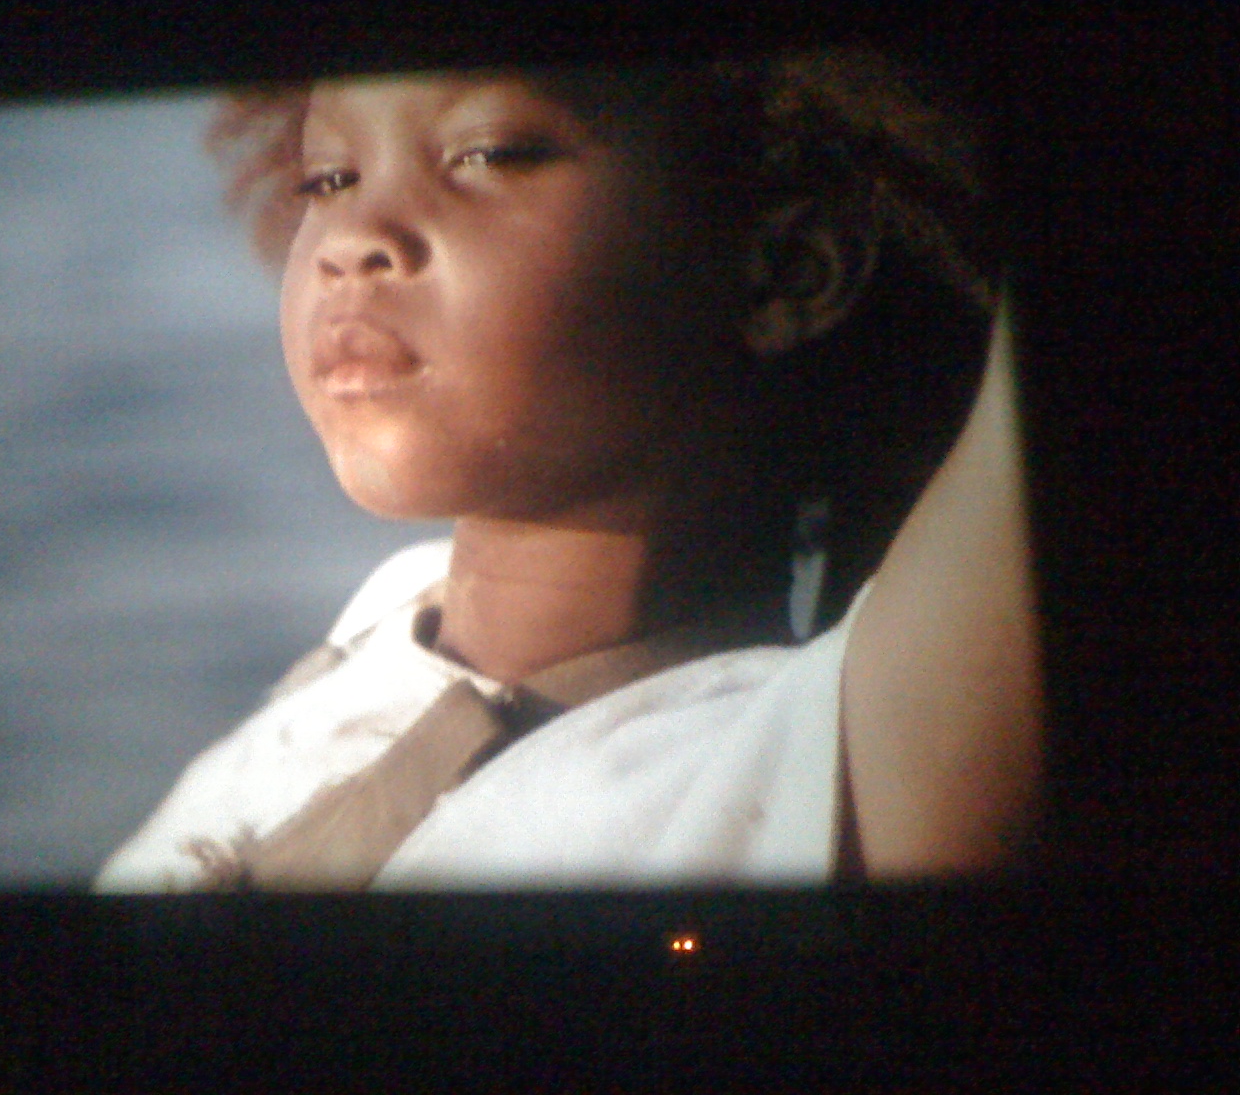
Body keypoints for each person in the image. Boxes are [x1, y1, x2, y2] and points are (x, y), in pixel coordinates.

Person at [94, 51, 1043, 891]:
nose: (350, 240)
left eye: (488, 154)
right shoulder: (386, 616)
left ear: (786, 267)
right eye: (330, 177)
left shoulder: (829, 755)